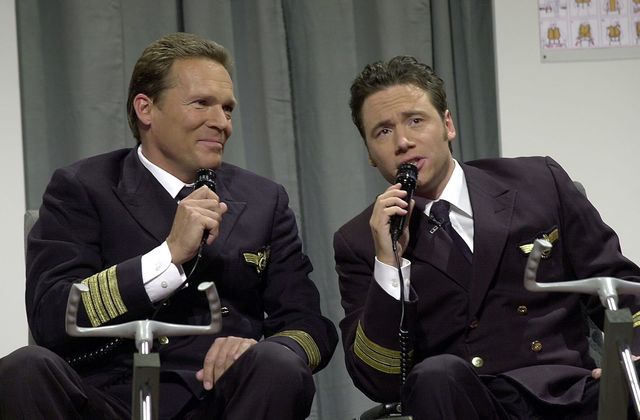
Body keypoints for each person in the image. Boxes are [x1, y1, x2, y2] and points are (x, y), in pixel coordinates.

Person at [0, 32, 338, 419]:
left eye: (227, 109)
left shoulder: (265, 200)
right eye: (201, 104)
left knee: (278, 365)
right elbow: (51, 314)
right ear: (146, 109)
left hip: (224, 399)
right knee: (23, 370)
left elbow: (308, 324)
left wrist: (268, 349)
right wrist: (167, 257)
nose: (222, 123)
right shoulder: (83, 187)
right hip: (109, 400)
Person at [334, 55, 640, 419]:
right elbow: (379, 381)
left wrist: (634, 358)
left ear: (448, 124)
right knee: (435, 375)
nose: (403, 141)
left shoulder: (537, 183)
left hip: (570, 392)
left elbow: (618, 283)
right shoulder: (361, 240)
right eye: (383, 132)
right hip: (468, 402)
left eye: (415, 120)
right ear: (370, 154)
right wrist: (388, 263)